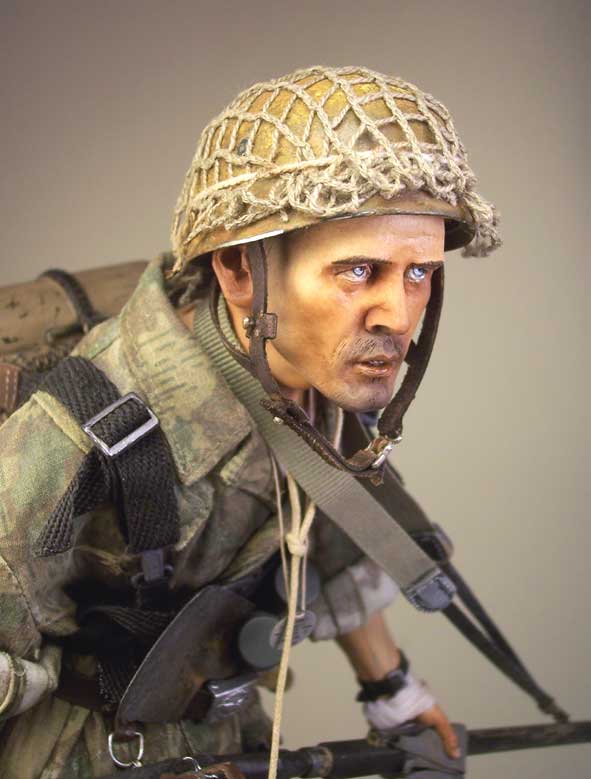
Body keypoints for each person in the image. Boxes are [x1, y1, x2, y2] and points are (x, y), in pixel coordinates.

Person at [0, 65, 499, 778]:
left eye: (416, 273)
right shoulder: (79, 433)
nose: (396, 313)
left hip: (231, 740)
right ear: (239, 272)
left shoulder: (310, 382)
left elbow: (331, 526)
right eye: (358, 271)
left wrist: (392, 690)